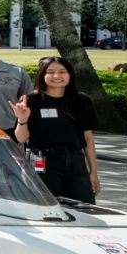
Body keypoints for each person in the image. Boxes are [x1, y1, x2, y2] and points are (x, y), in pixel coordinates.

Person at [12, 56, 99, 204]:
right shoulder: (31, 100)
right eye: (50, 72)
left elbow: (88, 138)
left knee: (84, 207)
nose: (57, 76)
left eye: (62, 71)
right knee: (46, 207)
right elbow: (21, 138)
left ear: (70, 75)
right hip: (43, 161)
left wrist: (93, 172)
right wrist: (22, 119)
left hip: (75, 161)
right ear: (42, 75)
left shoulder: (82, 101)